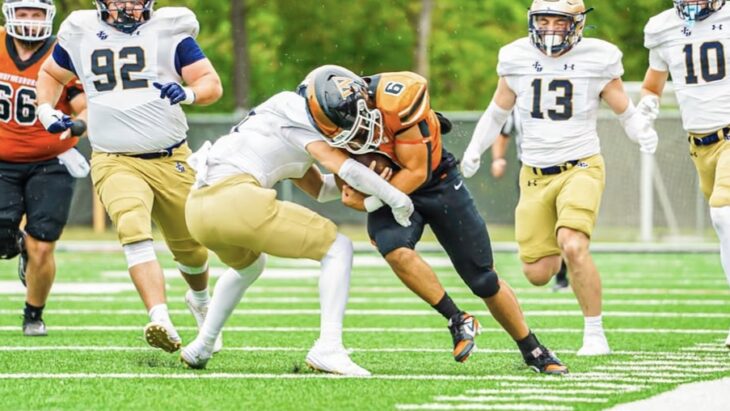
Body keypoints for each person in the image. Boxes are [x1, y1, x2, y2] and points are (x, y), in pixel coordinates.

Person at [303, 64, 567, 374]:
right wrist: (362, 192)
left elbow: (417, 171)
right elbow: (348, 191)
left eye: (357, 127)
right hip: (389, 188)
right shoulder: (324, 128)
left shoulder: (399, 98)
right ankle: (457, 319)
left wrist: (371, 198)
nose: (357, 138)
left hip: (436, 182)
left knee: (482, 278)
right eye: (344, 134)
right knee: (393, 247)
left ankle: (533, 349)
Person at [461, 0, 658, 356]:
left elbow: (624, 111)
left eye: (559, 21)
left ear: (577, 24)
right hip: (534, 174)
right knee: (538, 273)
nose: (551, 28)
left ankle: (594, 333)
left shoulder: (598, 58)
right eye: (544, 20)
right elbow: (496, 113)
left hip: (581, 165)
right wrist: (476, 148)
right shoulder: (515, 57)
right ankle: (557, 245)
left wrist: (641, 130)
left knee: (573, 245)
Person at [179, 81, 414, 375]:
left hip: (198, 209)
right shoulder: (297, 111)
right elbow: (346, 168)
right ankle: (329, 347)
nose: (348, 121)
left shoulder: (277, 121)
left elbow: (322, 189)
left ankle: (203, 344)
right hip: (235, 197)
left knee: (249, 267)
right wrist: (398, 199)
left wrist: (374, 191)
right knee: (338, 248)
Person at [35, 0, 223, 353]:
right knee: (132, 224)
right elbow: (51, 74)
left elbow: (210, 83)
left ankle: (200, 300)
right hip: (114, 158)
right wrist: (45, 109)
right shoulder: (81, 30)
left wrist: (189, 93)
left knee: (191, 248)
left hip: (170, 157)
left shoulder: (170, 29)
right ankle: (160, 317)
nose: (128, 5)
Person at [640, 0, 730, 348]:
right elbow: (652, 86)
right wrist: (646, 111)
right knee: (724, 228)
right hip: (700, 145)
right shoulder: (662, 27)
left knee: (723, 215)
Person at [0, 0, 87, 337]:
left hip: (52, 160)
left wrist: (79, 125)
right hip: (2, 161)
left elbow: (84, 106)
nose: (30, 20)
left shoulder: (63, 52)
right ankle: (17, 245)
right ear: (10, 14)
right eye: (23, 13)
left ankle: (33, 314)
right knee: (3, 237)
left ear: (48, 16)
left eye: (36, 14)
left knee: (43, 244)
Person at [491, 110, 569, 291]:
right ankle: (542, 260)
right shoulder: (516, 106)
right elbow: (502, 132)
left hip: (562, 168)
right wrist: (497, 159)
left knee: (561, 221)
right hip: (529, 171)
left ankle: (562, 274)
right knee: (534, 221)